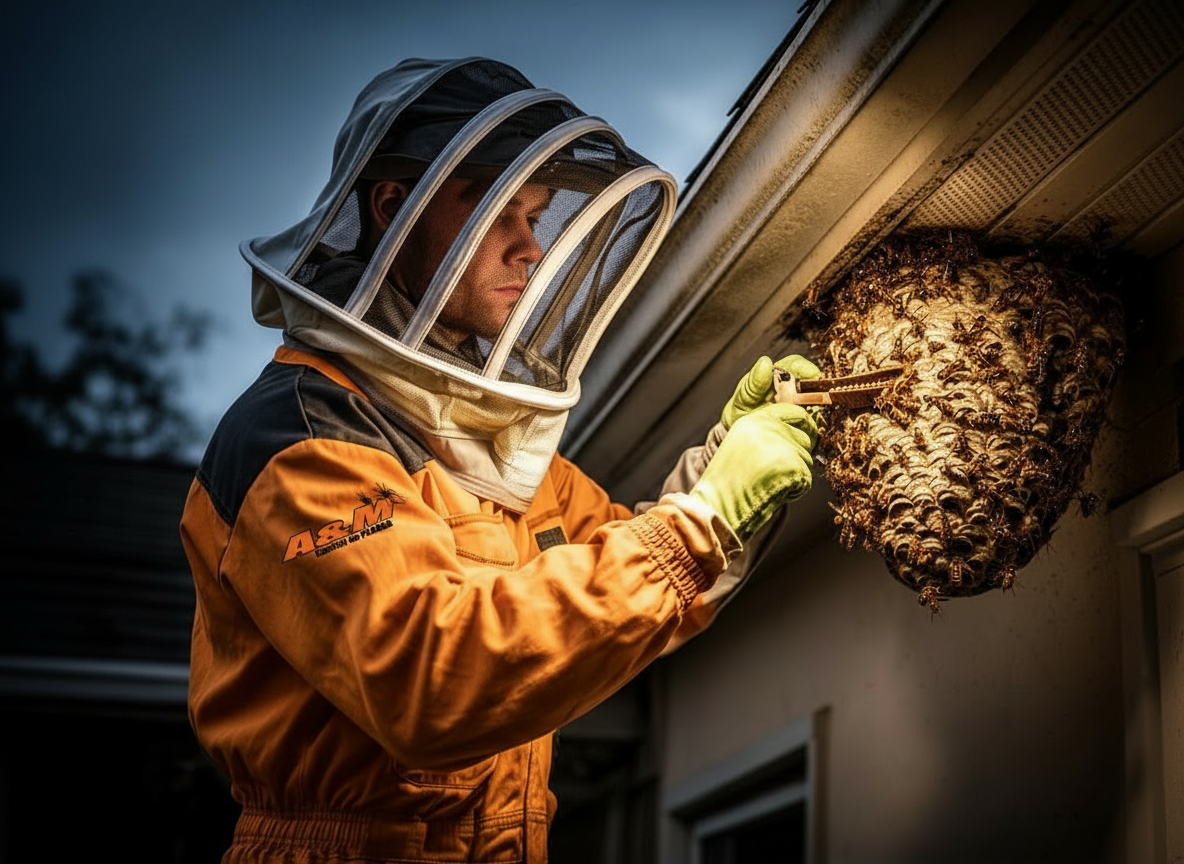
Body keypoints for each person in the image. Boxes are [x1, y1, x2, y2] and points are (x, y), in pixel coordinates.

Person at [181, 56, 820, 863]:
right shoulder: (304, 435)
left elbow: (632, 578)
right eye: (499, 213)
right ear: (393, 207)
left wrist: (727, 470)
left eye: (539, 215)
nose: (531, 248)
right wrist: (702, 524)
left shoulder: (482, 438)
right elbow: (430, 680)